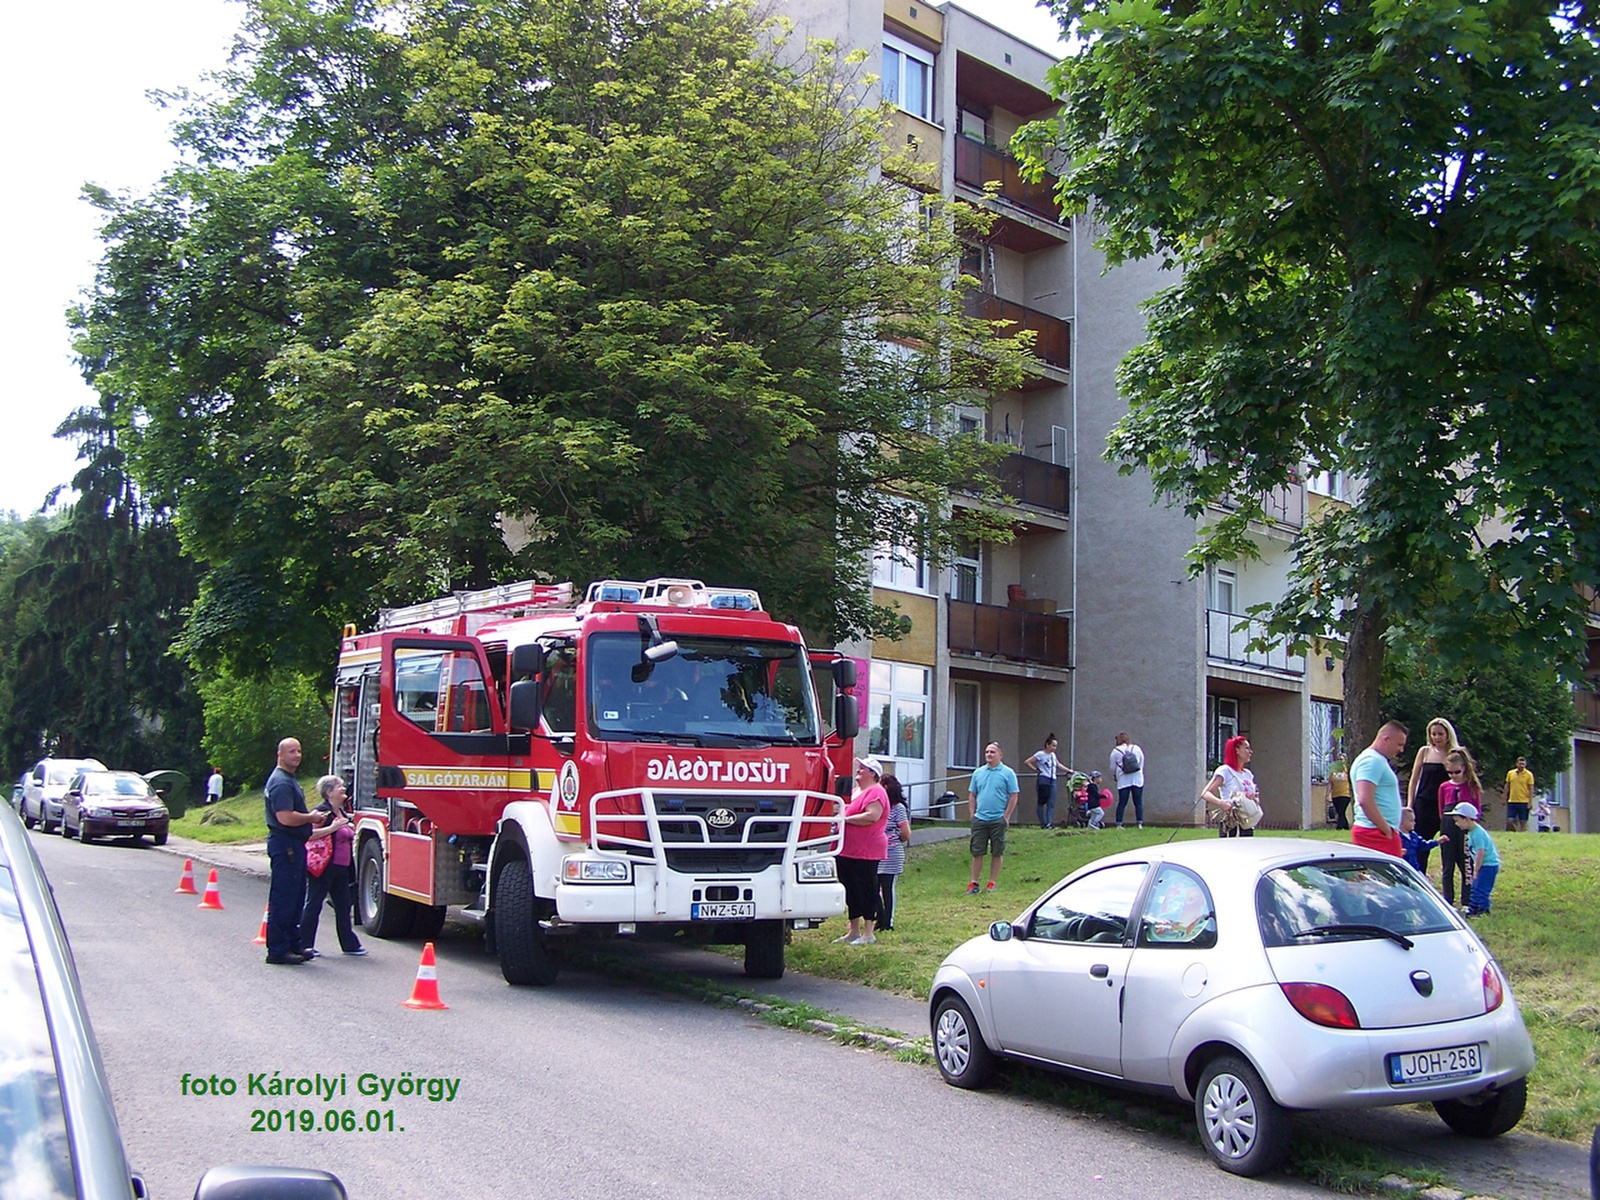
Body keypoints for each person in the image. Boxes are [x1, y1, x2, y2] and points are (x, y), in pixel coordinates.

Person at [263, 738, 327, 965]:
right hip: (285, 844)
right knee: (284, 899)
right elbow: (285, 817)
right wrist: (311, 817)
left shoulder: (288, 780)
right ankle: (278, 950)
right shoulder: (281, 783)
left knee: (296, 897)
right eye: (291, 751)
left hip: (294, 845)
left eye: (299, 750)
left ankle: (293, 944)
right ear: (279, 754)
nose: (297, 755)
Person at [300, 776, 366, 957]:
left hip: (342, 868)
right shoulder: (321, 812)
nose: (343, 789)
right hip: (323, 867)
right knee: (314, 904)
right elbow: (308, 834)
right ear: (329, 792)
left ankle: (350, 945)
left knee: (344, 906)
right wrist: (332, 828)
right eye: (339, 786)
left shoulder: (342, 813)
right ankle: (305, 944)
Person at [835, 757, 887, 945]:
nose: (858, 770)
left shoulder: (876, 792)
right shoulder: (856, 791)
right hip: (846, 849)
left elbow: (872, 816)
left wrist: (845, 820)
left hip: (866, 850)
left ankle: (868, 932)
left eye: (863, 768)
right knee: (850, 888)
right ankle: (853, 930)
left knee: (866, 888)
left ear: (873, 773)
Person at [1406, 718, 1458, 874]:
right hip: (1424, 803)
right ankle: (1418, 878)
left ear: (1448, 734)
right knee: (1420, 847)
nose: (1437, 737)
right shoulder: (1424, 751)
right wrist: (1410, 803)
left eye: (1440, 734)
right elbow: (1414, 779)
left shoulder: (1455, 753)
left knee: (1448, 846)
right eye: (1433, 734)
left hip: (1446, 805)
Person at [967, 742, 1019, 893]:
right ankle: (974, 883)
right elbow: (972, 794)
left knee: (997, 851)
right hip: (980, 819)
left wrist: (1006, 816)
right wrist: (972, 814)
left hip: (997, 819)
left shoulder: (1008, 773)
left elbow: (1014, 795)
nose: (989, 754)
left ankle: (992, 882)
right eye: (987, 752)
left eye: (992, 752)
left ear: (1000, 755)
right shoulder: (978, 773)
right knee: (977, 852)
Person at [1351, 720, 1407, 857]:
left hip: (1377, 831)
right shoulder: (1372, 761)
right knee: (1388, 878)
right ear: (1386, 739)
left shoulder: (1376, 760)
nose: (1401, 750)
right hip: (1374, 832)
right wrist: (1386, 830)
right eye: (1399, 744)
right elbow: (1365, 798)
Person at [1436, 748, 1483, 908]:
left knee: (1466, 865)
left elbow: (1477, 810)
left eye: (1456, 772)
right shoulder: (1444, 787)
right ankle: (1448, 900)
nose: (1453, 775)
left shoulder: (1471, 786)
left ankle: (1467, 900)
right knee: (1447, 866)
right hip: (1448, 826)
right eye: (1449, 772)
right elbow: (1441, 809)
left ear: (1464, 768)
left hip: (1464, 829)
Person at [1201, 735, 1263, 837]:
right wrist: (1221, 803)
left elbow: (1256, 796)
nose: (1250, 752)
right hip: (1231, 822)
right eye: (1246, 748)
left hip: (1247, 822)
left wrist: (1254, 799)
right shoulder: (1225, 771)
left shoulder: (1248, 774)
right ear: (1236, 750)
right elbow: (1205, 793)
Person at [1449, 801, 1501, 916]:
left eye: (1458, 821)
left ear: (1467, 819)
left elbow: (1480, 852)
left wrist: (1476, 870)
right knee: (1475, 887)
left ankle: (1483, 910)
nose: (1457, 824)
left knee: (1481, 889)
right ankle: (1473, 908)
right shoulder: (1471, 832)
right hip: (1482, 865)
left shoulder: (1477, 833)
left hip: (1488, 865)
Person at [876, 774, 912, 932]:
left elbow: (906, 833)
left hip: (891, 854)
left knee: (887, 888)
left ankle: (888, 921)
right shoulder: (878, 806)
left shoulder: (898, 808)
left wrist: (893, 840)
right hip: (876, 853)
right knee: (873, 887)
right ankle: (879, 917)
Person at [1111, 732, 1146, 828]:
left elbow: (1112, 767)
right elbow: (1141, 763)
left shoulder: (1115, 751)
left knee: (1122, 803)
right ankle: (1139, 823)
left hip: (1123, 780)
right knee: (1138, 802)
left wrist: (1115, 776)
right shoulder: (1136, 748)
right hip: (1137, 779)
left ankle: (1119, 824)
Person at [1026, 735, 1060, 829]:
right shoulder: (1040, 754)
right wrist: (1036, 770)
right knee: (1042, 801)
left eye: (1055, 746)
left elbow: (1058, 764)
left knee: (1051, 802)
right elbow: (1028, 761)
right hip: (1044, 779)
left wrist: (1069, 770)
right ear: (1047, 745)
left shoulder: (1053, 755)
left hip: (1052, 779)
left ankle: (1049, 823)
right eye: (1053, 745)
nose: (1054, 748)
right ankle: (1043, 823)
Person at [1398, 807, 1443, 871]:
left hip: (1414, 867)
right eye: (1411, 821)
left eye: (1414, 820)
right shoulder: (1397, 837)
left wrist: (1437, 841)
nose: (1414, 823)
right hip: (1402, 868)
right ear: (1401, 823)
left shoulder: (1414, 836)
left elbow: (1424, 845)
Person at [1504, 756, 1534, 833]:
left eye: (1523, 764)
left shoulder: (1529, 775)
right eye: (1520, 764)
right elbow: (1507, 786)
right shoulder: (1510, 773)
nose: (1521, 765)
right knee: (1510, 821)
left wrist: (1530, 802)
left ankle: (1522, 835)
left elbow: (1531, 789)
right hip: (1512, 800)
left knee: (1523, 822)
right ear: (1516, 764)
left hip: (1524, 801)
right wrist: (1504, 798)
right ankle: (1515, 831)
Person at [1328, 758, 1352, 830]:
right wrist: (1328, 795)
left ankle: (1339, 827)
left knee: (1341, 811)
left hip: (1345, 794)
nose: (1340, 761)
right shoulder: (1333, 771)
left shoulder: (1347, 770)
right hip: (1335, 794)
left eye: (1341, 759)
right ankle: (1346, 827)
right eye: (1338, 759)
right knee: (1340, 812)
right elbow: (1330, 784)